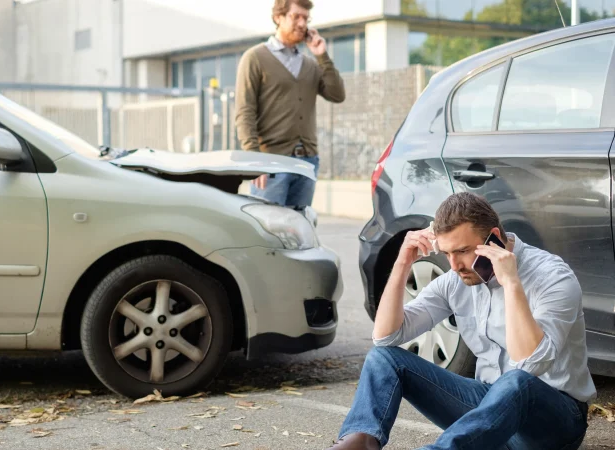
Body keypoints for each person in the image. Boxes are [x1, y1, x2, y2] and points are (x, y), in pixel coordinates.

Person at [330, 192, 595, 450]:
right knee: (383, 358)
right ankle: (360, 442)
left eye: (463, 251)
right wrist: (402, 262)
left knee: (517, 382)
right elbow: (386, 336)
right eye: (446, 254)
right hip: (487, 412)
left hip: (550, 423)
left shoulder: (552, 276)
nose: (454, 265)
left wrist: (511, 283)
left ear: (494, 240)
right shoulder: (455, 281)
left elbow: (530, 363)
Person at [234, 0, 345, 208]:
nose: (302, 24)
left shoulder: (310, 64)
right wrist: (255, 159)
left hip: (307, 162)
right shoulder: (255, 58)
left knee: (298, 232)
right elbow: (244, 112)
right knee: (267, 231)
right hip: (271, 163)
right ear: (278, 17)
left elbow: (337, 94)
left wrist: (322, 56)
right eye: (296, 17)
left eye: (306, 18)